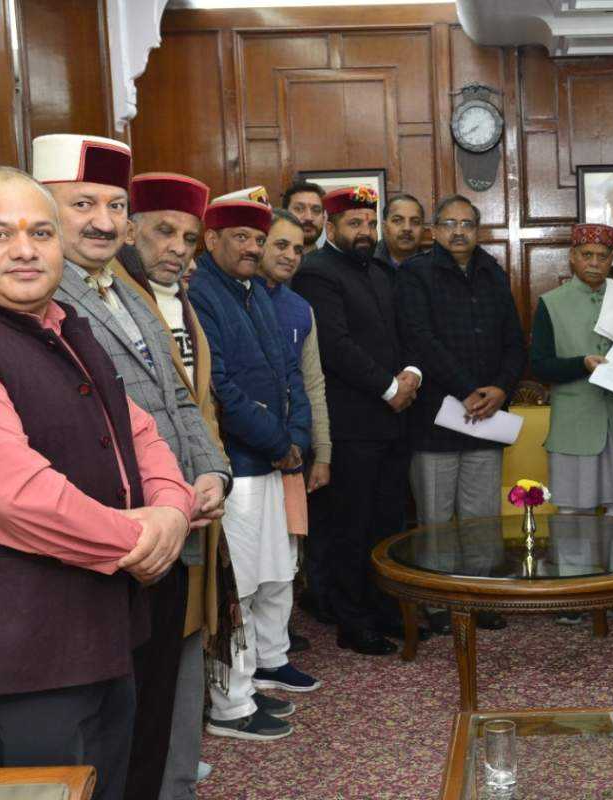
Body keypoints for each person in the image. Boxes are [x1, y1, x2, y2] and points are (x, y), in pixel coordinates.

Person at [0, 166, 196, 800]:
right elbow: (19, 499)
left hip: (105, 628)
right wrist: (143, 541)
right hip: (16, 652)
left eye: (41, 232)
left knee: (112, 786)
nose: (25, 249)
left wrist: (172, 508)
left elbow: (140, 433)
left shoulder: (64, 324)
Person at [31, 136, 230, 800]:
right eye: (83, 203)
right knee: (105, 719)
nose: (105, 221)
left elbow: (178, 394)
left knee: (153, 705)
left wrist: (211, 474)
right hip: (109, 537)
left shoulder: (124, 286)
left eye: (116, 205)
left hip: (171, 527)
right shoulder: (35, 292)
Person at [113, 170, 229, 797]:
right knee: (148, 668)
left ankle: (176, 779)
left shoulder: (173, 301)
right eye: (163, 232)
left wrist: (214, 471)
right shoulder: (109, 299)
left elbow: (195, 405)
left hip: (195, 508)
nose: (178, 248)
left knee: (184, 653)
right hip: (140, 520)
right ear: (131, 230)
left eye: (188, 236)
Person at [191, 187, 317, 742]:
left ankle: (253, 683)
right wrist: (275, 440)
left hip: (271, 462)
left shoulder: (256, 293)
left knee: (272, 573)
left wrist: (296, 437)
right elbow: (219, 388)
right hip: (237, 467)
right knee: (235, 588)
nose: (251, 248)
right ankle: (230, 706)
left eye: (258, 239)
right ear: (211, 238)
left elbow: (291, 374)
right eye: (240, 237)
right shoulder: (202, 295)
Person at [292, 186, 421, 655]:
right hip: (349, 427)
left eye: (369, 223)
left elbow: (407, 332)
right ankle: (352, 621)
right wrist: (389, 388)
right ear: (331, 227)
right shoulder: (316, 273)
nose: (364, 232)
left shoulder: (383, 271)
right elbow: (335, 346)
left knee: (388, 523)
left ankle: (386, 609)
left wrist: (412, 372)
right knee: (350, 528)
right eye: (354, 224)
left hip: (393, 423)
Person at [396, 195, 526, 631]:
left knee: (480, 516)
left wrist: (500, 388)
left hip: (487, 416)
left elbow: (514, 341)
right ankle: (438, 601)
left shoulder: (492, 272)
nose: (458, 231)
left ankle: (481, 595)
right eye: (449, 223)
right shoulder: (415, 275)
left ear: (478, 229)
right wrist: (467, 389)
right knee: (435, 516)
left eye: (467, 224)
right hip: (436, 416)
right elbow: (418, 338)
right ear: (434, 230)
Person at [529, 222, 613, 625]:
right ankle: (575, 593)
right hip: (575, 421)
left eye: (603, 256)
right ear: (572, 257)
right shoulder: (551, 302)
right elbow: (540, 365)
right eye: (587, 256)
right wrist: (581, 363)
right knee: (573, 511)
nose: (595, 263)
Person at [256, 207, 332, 654]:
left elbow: (313, 382)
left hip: (295, 451)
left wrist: (322, 451)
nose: (289, 256)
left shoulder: (299, 307)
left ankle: (275, 638)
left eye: (298, 249)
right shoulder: (235, 298)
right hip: (251, 453)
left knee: (288, 549)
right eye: (279, 244)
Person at [376, 192, 426, 271]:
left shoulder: (434, 269)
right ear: (384, 227)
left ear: (423, 229)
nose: (407, 228)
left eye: (415, 222)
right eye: (397, 221)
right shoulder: (367, 265)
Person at [281, 181, 326, 254]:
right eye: (299, 209)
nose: (308, 217)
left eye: (316, 210)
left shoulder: (335, 264)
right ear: (284, 215)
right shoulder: (267, 262)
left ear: (323, 219)